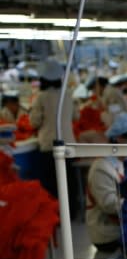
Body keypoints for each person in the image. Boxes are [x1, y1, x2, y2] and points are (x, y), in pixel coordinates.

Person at [85, 113, 127, 252]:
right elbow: (109, 205)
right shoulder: (101, 168)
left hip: (124, 227)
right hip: (108, 234)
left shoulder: (124, 162)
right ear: (118, 139)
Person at [29, 58, 79, 204]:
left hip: (49, 144)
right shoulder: (68, 94)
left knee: (52, 182)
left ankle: (56, 212)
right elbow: (76, 116)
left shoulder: (41, 97)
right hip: (69, 142)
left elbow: (34, 122)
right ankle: (72, 209)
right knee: (69, 179)